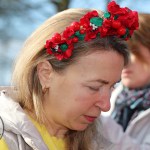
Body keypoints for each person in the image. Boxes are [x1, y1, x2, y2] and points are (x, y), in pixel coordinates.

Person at [0, 1, 138, 150]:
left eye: (112, 87)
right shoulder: (5, 139)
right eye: (94, 87)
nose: (106, 106)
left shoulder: (102, 140)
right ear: (45, 74)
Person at [101, 13, 150, 149]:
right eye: (120, 53)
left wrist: (100, 125)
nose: (124, 63)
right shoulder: (106, 96)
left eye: (133, 52)